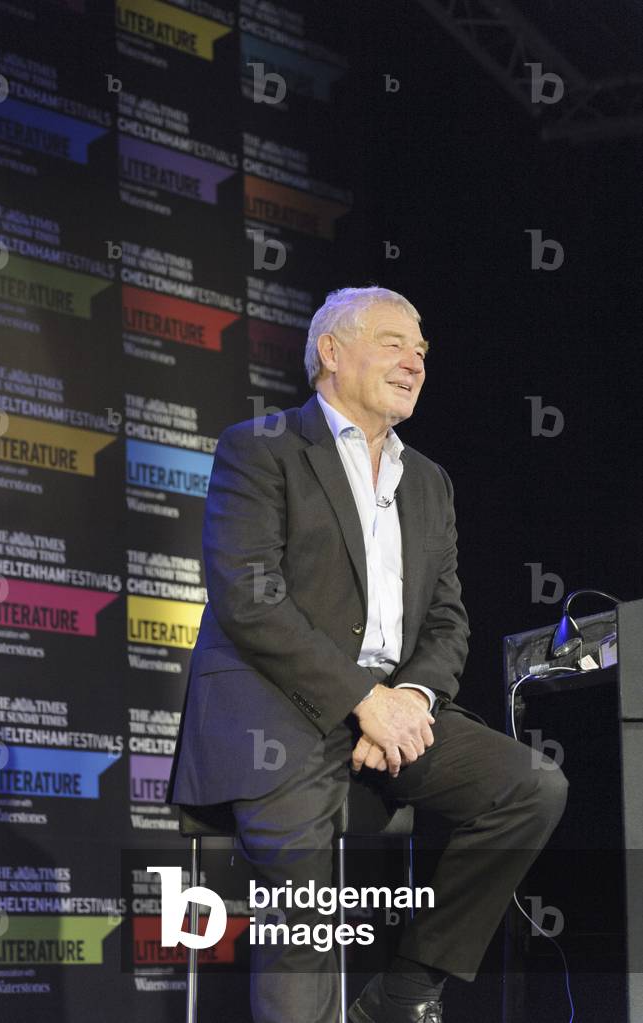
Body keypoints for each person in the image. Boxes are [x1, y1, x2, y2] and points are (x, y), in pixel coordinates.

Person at [166, 286, 568, 1023]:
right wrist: (363, 698)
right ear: (330, 352)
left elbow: (446, 619)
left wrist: (409, 700)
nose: (414, 359)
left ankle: (403, 993)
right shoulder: (259, 445)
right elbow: (248, 597)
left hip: (390, 714)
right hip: (275, 715)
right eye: (393, 341)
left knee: (529, 787)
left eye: (421, 349)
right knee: (306, 917)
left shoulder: (429, 481)